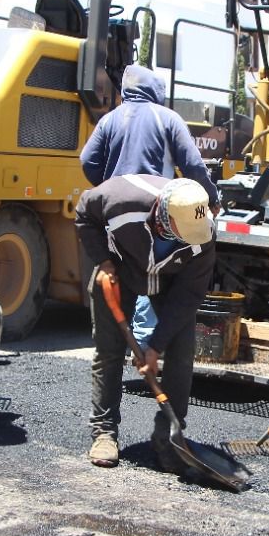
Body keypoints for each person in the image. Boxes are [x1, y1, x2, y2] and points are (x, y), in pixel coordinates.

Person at [75, 174, 215, 472]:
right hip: (121, 269)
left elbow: (188, 295)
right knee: (109, 351)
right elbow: (84, 213)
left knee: (181, 354)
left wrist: (155, 346)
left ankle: (169, 439)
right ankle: (104, 433)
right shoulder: (122, 200)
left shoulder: (204, 232)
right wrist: (103, 261)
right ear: (163, 218)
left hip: (170, 281)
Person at [79, 64, 220, 346]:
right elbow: (193, 165)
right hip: (160, 214)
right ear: (157, 92)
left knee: (112, 331)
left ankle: (129, 351)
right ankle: (151, 348)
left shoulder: (110, 120)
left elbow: (87, 161)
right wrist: (210, 201)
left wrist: (108, 187)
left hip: (118, 219)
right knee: (157, 272)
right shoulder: (167, 118)